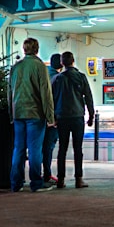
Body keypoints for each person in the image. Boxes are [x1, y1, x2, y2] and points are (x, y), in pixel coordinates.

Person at [8, 38, 56, 192]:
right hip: (35, 113)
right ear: (37, 49)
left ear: (23, 49)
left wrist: (11, 113)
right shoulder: (40, 66)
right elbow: (46, 92)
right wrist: (50, 116)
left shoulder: (15, 67)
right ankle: (36, 183)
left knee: (18, 149)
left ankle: (16, 184)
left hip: (18, 113)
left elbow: (9, 92)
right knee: (35, 149)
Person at [52, 51, 95, 189]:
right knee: (78, 149)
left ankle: (60, 180)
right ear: (73, 61)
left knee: (62, 149)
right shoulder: (81, 77)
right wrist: (91, 115)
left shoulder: (57, 79)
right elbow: (88, 96)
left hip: (62, 117)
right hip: (77, 117)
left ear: (62, 62)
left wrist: (53, 117)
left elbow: (52, 99)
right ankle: (78, 179)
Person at [42, 53, 62, 184]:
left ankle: (38, 174)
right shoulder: (58, 78)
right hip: (52, 118)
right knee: (48, 147)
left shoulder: (43, 75)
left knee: (38, 147)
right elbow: (56, 99)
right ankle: (47, 175)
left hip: (37, 116)